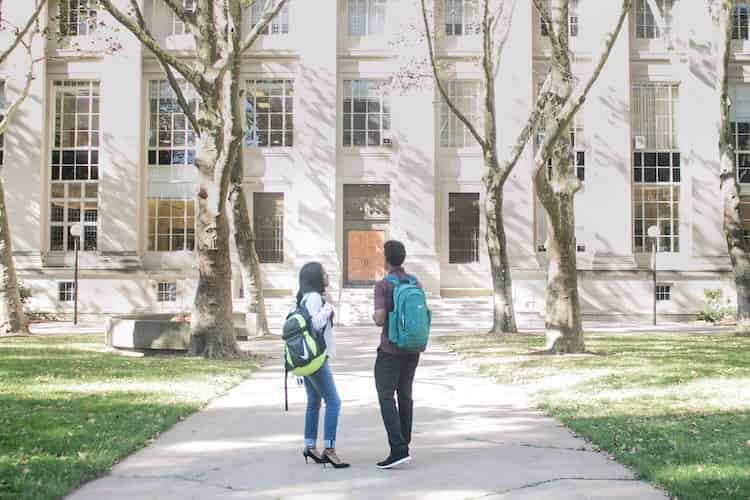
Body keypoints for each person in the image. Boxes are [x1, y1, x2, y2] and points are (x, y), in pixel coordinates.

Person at [372, 240, 424, 469]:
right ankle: (405, 443)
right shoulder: (415, 282)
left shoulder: (383, 285)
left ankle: (398, 448)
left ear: (385, 259)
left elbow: (380, 318)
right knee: (405, 395)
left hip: (390, 349)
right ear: (402, 258)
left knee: (385, 396)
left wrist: (375, 317)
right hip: (412, 347)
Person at [296, 262, 349, 469]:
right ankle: (329, 449)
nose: (327, 275)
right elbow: (316, 325)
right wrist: (328, 306)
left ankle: (310, 445)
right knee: (334, 402)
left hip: (306, 358)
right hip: (317, 358)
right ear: (316, 277)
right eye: (324, 272)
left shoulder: (301, 298)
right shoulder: (316, 298)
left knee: (313, 402)